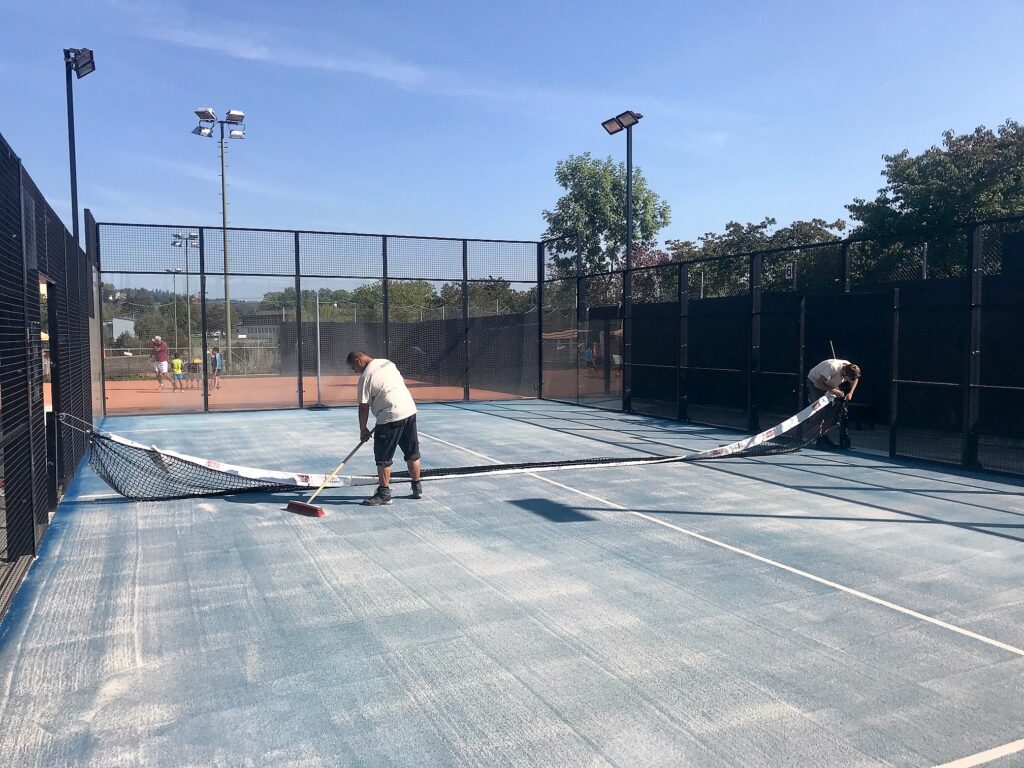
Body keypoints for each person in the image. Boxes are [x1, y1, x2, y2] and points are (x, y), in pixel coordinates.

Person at [347, 350, 422, 505]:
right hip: (409, 410)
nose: (355, 371)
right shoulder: (388, 363)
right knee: (412, 453)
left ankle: (384, 494)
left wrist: (363, 429)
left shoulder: (365, 377)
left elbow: (363, 406)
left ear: (358, 361)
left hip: (389, 417)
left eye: (353, 367)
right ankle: (417, 488)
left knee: (383, 458)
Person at [806, 358, 861, 449]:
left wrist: (850, 393)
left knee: (832, 412)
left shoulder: (850, 368)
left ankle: (824, 436)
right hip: (815, 382)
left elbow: (855, 380)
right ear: (844, 374)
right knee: (820, 410)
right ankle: (819, 438)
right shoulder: (832, 367)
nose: (852, 380)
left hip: (830, 382)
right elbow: (819, 383)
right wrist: (834, 391)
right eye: (850, 379)